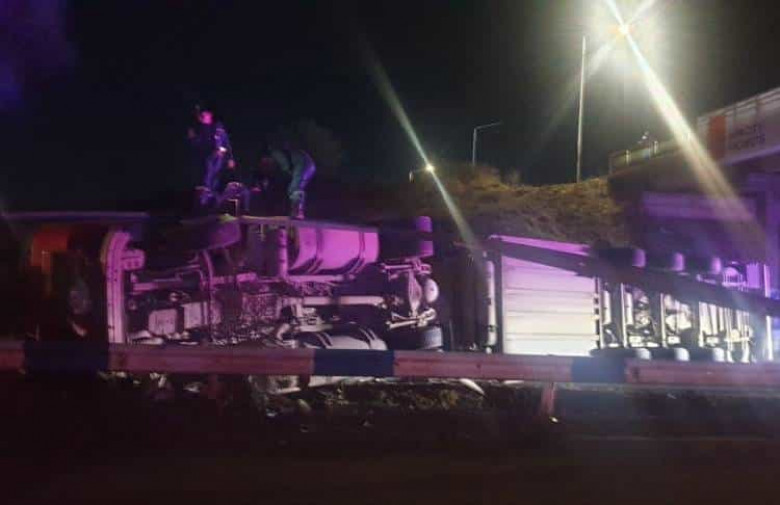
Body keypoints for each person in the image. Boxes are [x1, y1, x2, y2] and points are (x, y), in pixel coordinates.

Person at [188, 106, 235, 204]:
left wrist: (230, 158)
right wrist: (193, 139)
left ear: (210, 115)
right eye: (202, 115)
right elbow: (200, 143)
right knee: (209, 177)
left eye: (205, 114)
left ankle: (214, 199)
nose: (204, 117)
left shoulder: (218, 127)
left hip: (220, 158)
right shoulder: (203, 129)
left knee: (216, 178)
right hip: (210, 157)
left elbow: (226, 142)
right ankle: (207, 199)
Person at [261, 143, 316, 219]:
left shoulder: (275, 154)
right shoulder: (275, 155)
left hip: (302, 162)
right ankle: (296, 211)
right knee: (293, 187)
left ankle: (297, 212)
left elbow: (286, 167)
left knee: (294, 188)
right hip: (304, 163)